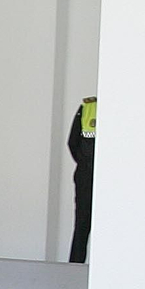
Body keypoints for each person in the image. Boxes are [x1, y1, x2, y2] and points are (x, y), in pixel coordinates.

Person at [68, 97, 95, 263]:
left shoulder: (88, 108)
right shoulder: (88, 108)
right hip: (89, 176)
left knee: (82, 225)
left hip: (90, 175)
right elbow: (72, 142)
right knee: (83, 225)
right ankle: (75, 268)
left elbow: (72, 143)